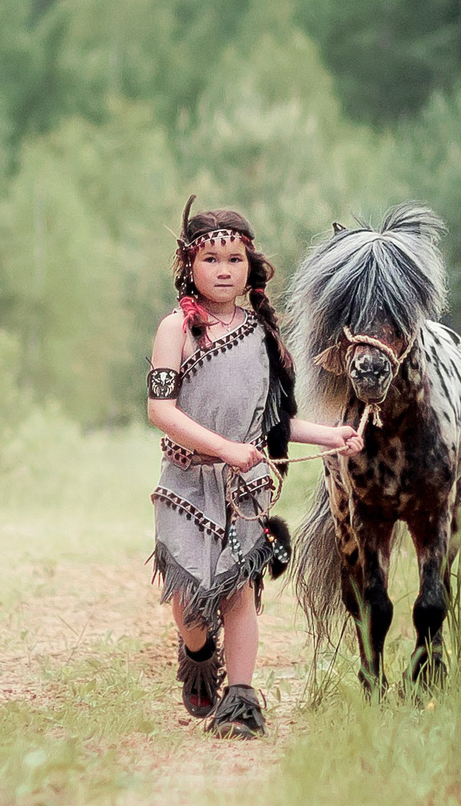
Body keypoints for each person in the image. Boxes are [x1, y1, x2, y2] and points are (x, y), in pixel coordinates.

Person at [147, 201, 362, 738]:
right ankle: (198, 655)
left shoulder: (262, 336)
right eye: (212, 258)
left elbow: (275, 423)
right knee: (191, 602)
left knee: (239, 592)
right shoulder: (175, 329)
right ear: (188, 267)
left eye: (235, 259)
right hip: (186, 482)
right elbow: (161, 411)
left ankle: (241, 702)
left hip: (245, 486)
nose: (224, 269)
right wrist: (222, 447)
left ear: (250, 267)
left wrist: (330, 434)